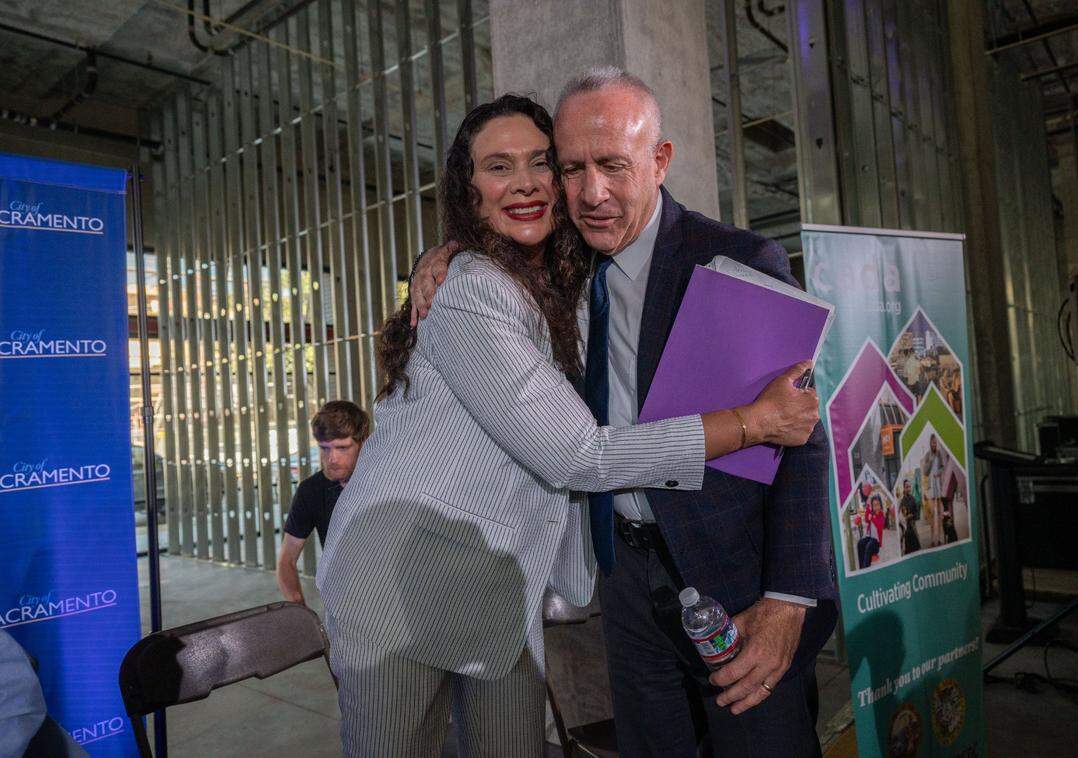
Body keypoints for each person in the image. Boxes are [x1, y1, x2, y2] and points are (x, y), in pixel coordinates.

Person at [316, 94, 821, 757]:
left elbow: (805, 434)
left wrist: (792, 597)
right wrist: (746, 424)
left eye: (545, 164)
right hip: (414, 581)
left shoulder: (714, 259)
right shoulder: (492, 283)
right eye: (571, 166)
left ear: (659, 160)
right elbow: (576, 453)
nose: (588, 189)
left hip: (692, 578)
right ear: (469, 190)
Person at [275, 400, 369, 605]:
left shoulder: (384, 482)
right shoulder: (311, 490)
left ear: (362, 443)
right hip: (342, 598)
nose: (332, 458)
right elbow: (286, 560)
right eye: (325, 449)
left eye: (342, 448)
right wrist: (299, 609)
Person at [921, 435, 947, 546]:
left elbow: (942, 467)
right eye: (933, 442)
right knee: (932, 515)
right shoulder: (928, 455)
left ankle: (940, 539)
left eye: (935, 442)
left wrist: (939, 473)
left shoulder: (939, 453)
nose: (934, 444)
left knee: (940, 515)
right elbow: (925, 472)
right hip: (931, 488)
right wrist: (930, 462)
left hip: (938, 486)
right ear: (930, 443)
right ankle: (933, 540)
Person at [898, 479, 922, 555]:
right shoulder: (902, 501)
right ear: (904, 488)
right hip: (905, 528)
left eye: (909, 487)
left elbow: (916, 513)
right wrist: (904, 519)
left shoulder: (913, 499)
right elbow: (900, 516)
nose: (908, 489)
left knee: (916, 548)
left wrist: (911, 516)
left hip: (912, 525)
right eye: (907, 487)